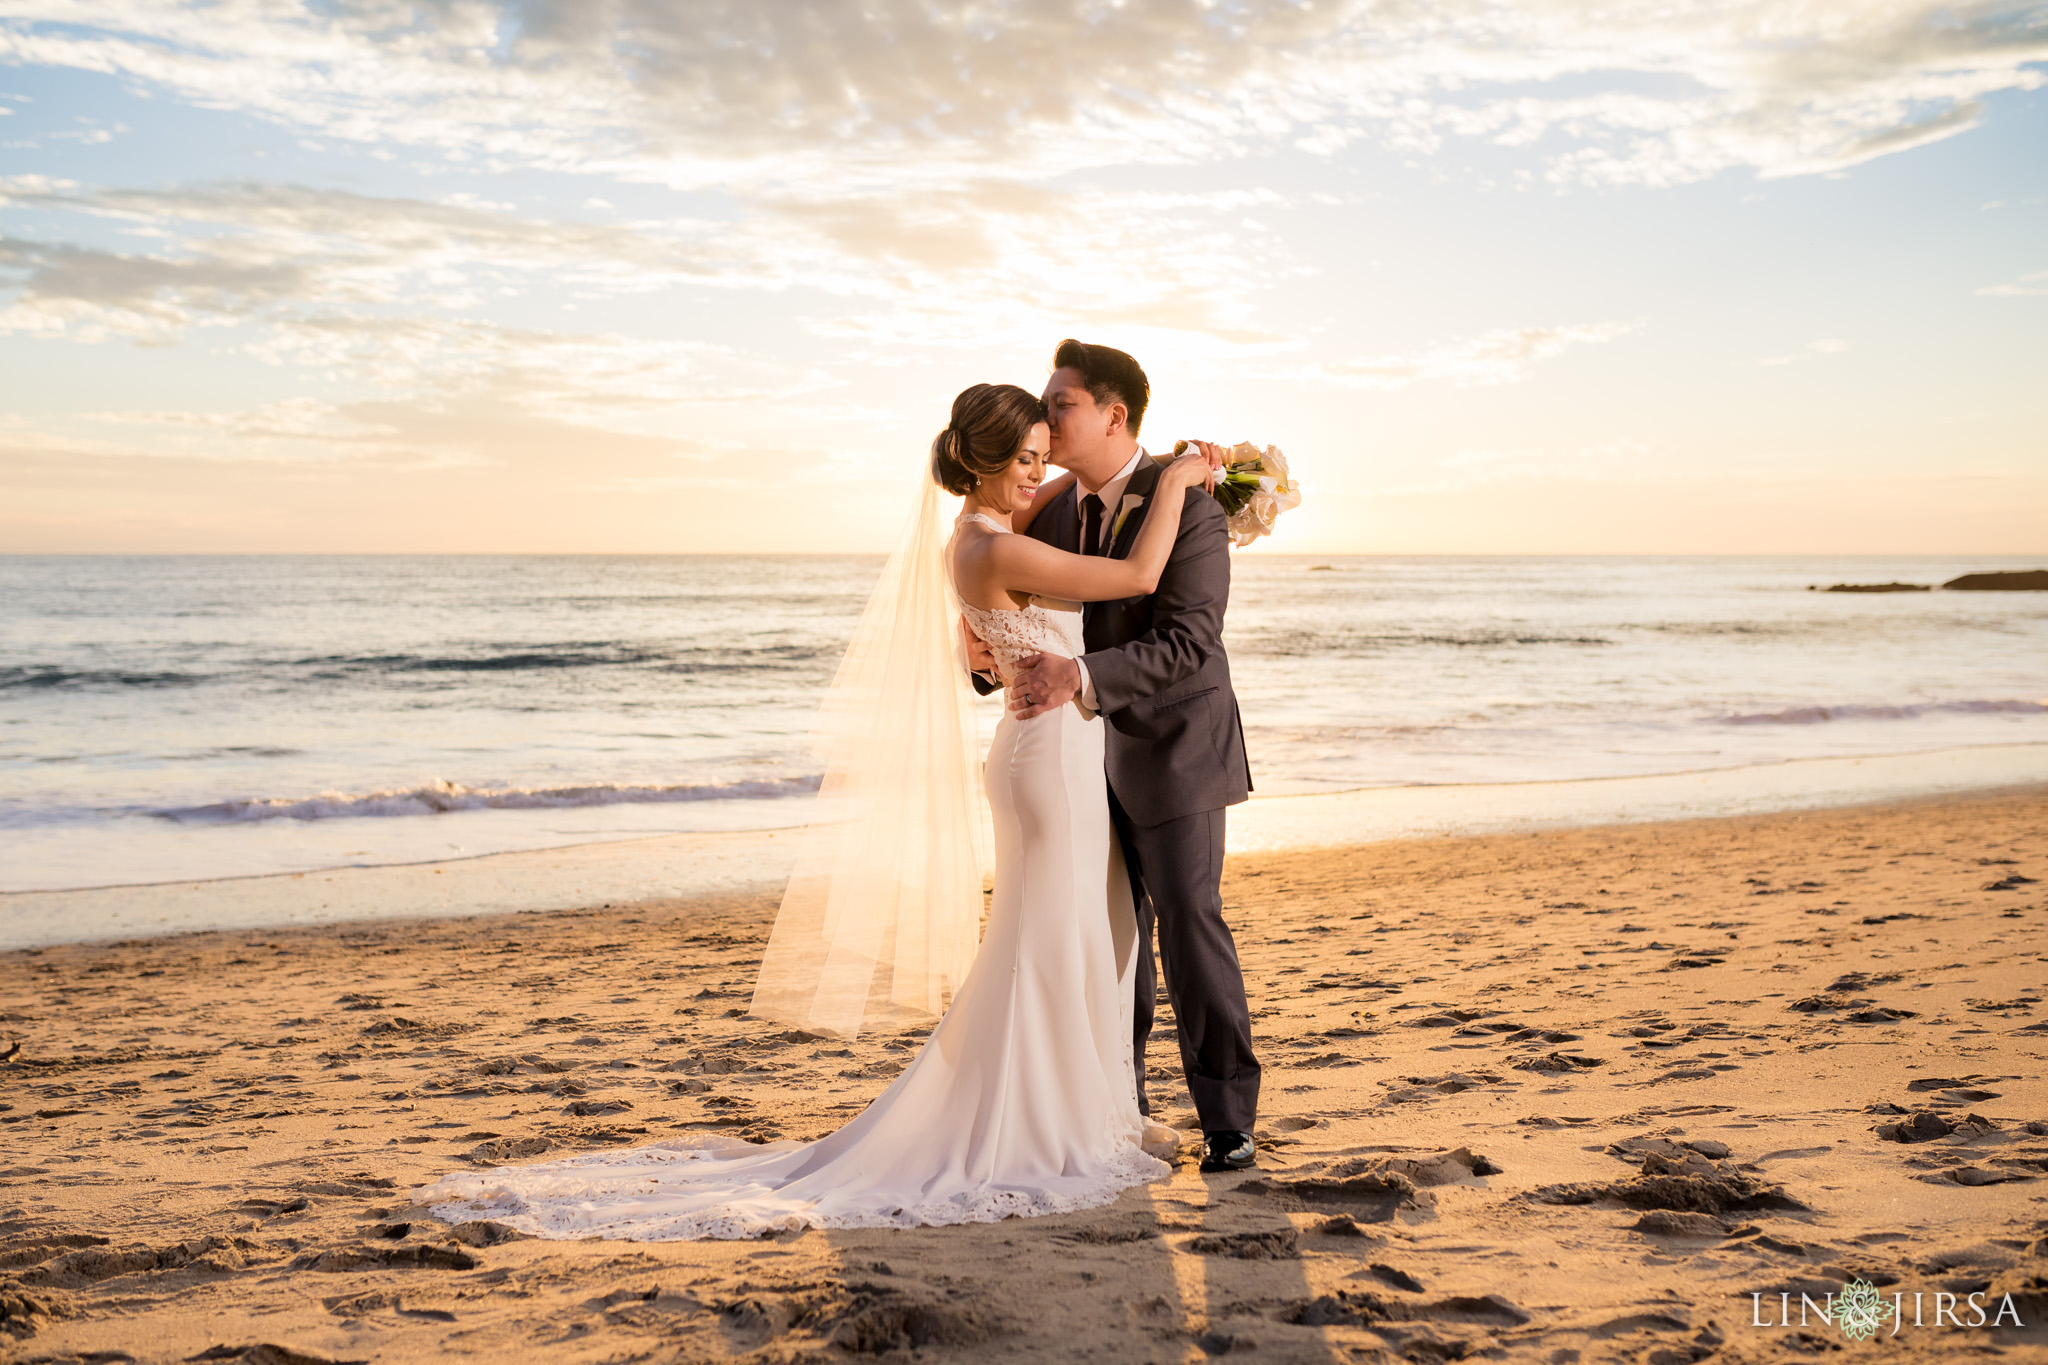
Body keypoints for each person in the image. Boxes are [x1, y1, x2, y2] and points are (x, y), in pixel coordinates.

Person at [412, 384, 1215, 1240]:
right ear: (981, 465)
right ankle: (1046, 1124)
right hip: (1047, 765)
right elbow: (1136, 575)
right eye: (1021, 459)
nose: (1038, 472)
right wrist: (1177, 481)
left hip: (1053, 755)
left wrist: (1123, 474)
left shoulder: (983, 531)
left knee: (1082, 937)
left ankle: (1088, 1114)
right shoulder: (994, 546)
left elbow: (1060, 498)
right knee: (1049, 943)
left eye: (1039, 457)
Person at [968, 339, 1261, 1175]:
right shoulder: (1048, 510)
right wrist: (987, 657)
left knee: (1188, 924)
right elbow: (1005, 602)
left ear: (1113, 413)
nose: (1045, 414)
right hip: (1075, 764)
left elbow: (1189, 644)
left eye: (1059, 402)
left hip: (1175, 750)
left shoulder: (1193, 510)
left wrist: (1082, 674)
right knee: (1107, 936)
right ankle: (1117, 1106)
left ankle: (1228, 1117)